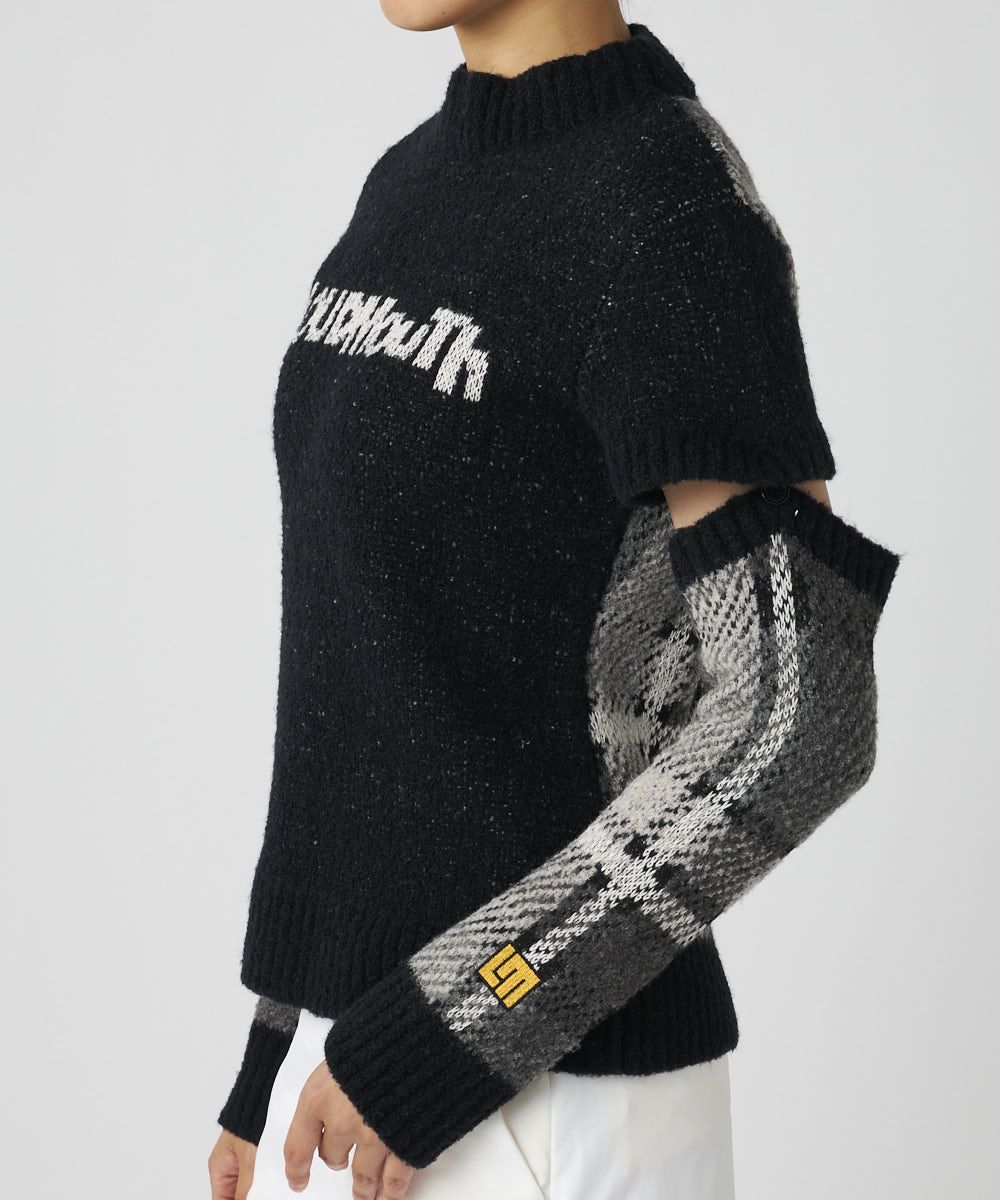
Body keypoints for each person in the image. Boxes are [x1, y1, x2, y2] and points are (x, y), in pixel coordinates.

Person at [207, 3, 901, 1198]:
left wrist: (455, 1030)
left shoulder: (668, 207)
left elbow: (800, 716)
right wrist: (271, 1048)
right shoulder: (409, 182)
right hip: (361, 1083)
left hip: (545, 1099)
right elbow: (365, 670)